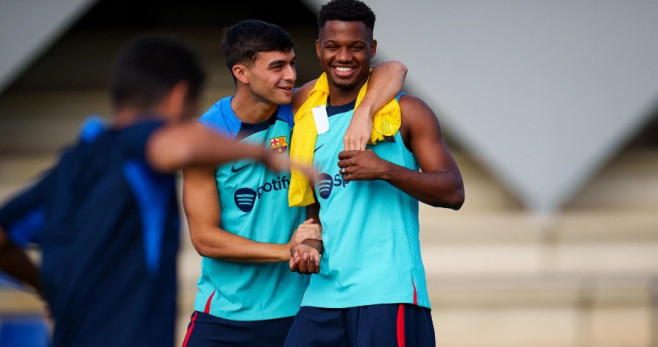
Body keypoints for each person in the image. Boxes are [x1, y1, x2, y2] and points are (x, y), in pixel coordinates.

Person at [0, 37, 302, 347]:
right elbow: (172, 146)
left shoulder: (71, 165)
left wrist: (47, 288)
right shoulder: (141, 145)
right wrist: (260, 155)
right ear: (178, 97)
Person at [180, 19, 407, 346]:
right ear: (242, 73)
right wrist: (286, 250)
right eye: (277, 67)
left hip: (299, 313)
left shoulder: (300, 106)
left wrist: (363, 113)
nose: (290, 76)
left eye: (291, 64)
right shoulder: (206, 137)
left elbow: (393, 69)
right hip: (223, 315)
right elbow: (205, 239)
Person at [284, 1, 465, 346]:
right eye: (334, 46)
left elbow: (453, 191)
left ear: (372, 49)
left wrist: (383, 169)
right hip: (323, 293)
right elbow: (319, 209)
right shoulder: (306, 119)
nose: (345, 56)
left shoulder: (406, 110)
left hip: (387, 292)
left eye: (356, 46)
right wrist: (308, 243)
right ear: (319, 49)